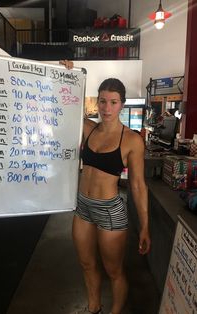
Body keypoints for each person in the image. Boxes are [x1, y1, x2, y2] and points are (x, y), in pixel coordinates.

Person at [71, 78, 151, 314]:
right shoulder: (87, 128)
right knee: (86, 264)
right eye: (103, 101)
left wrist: (145, 226)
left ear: (122, 105)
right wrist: (68, 74)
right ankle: (93, 307)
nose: (106, 108)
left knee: (114, 271)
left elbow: (137, 185)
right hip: (83, 206)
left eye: (113, 102)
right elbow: (62, 102)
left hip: (110, 211)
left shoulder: (132, 140)